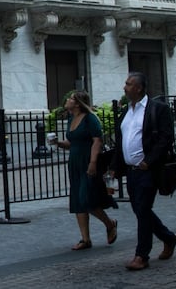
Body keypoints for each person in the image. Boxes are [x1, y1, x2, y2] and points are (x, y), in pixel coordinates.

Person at [108, 71, 176, 271]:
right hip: (131, 171)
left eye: (128, 84)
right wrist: (114, 167)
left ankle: (142, 255)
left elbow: (166, 138)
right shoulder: (125, 111)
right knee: (141, 210)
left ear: (138, 88)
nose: (125, 87)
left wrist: (148, 162)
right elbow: (120, 141)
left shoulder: (158, 108)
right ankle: (168, 237)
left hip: (148, 170)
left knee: (142, 209)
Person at [50, 91, 118, 250]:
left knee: (86, 198)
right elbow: (72, 143)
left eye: (71, 98)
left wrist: (93, 162)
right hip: (75, 162)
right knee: (77, 200)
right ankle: (85, 239)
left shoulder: (90, 118)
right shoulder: (71, 118)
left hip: (88, 161)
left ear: (78, 103)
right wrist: (58, 143)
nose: (67, 100)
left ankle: (110, 224)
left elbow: (97, 140)